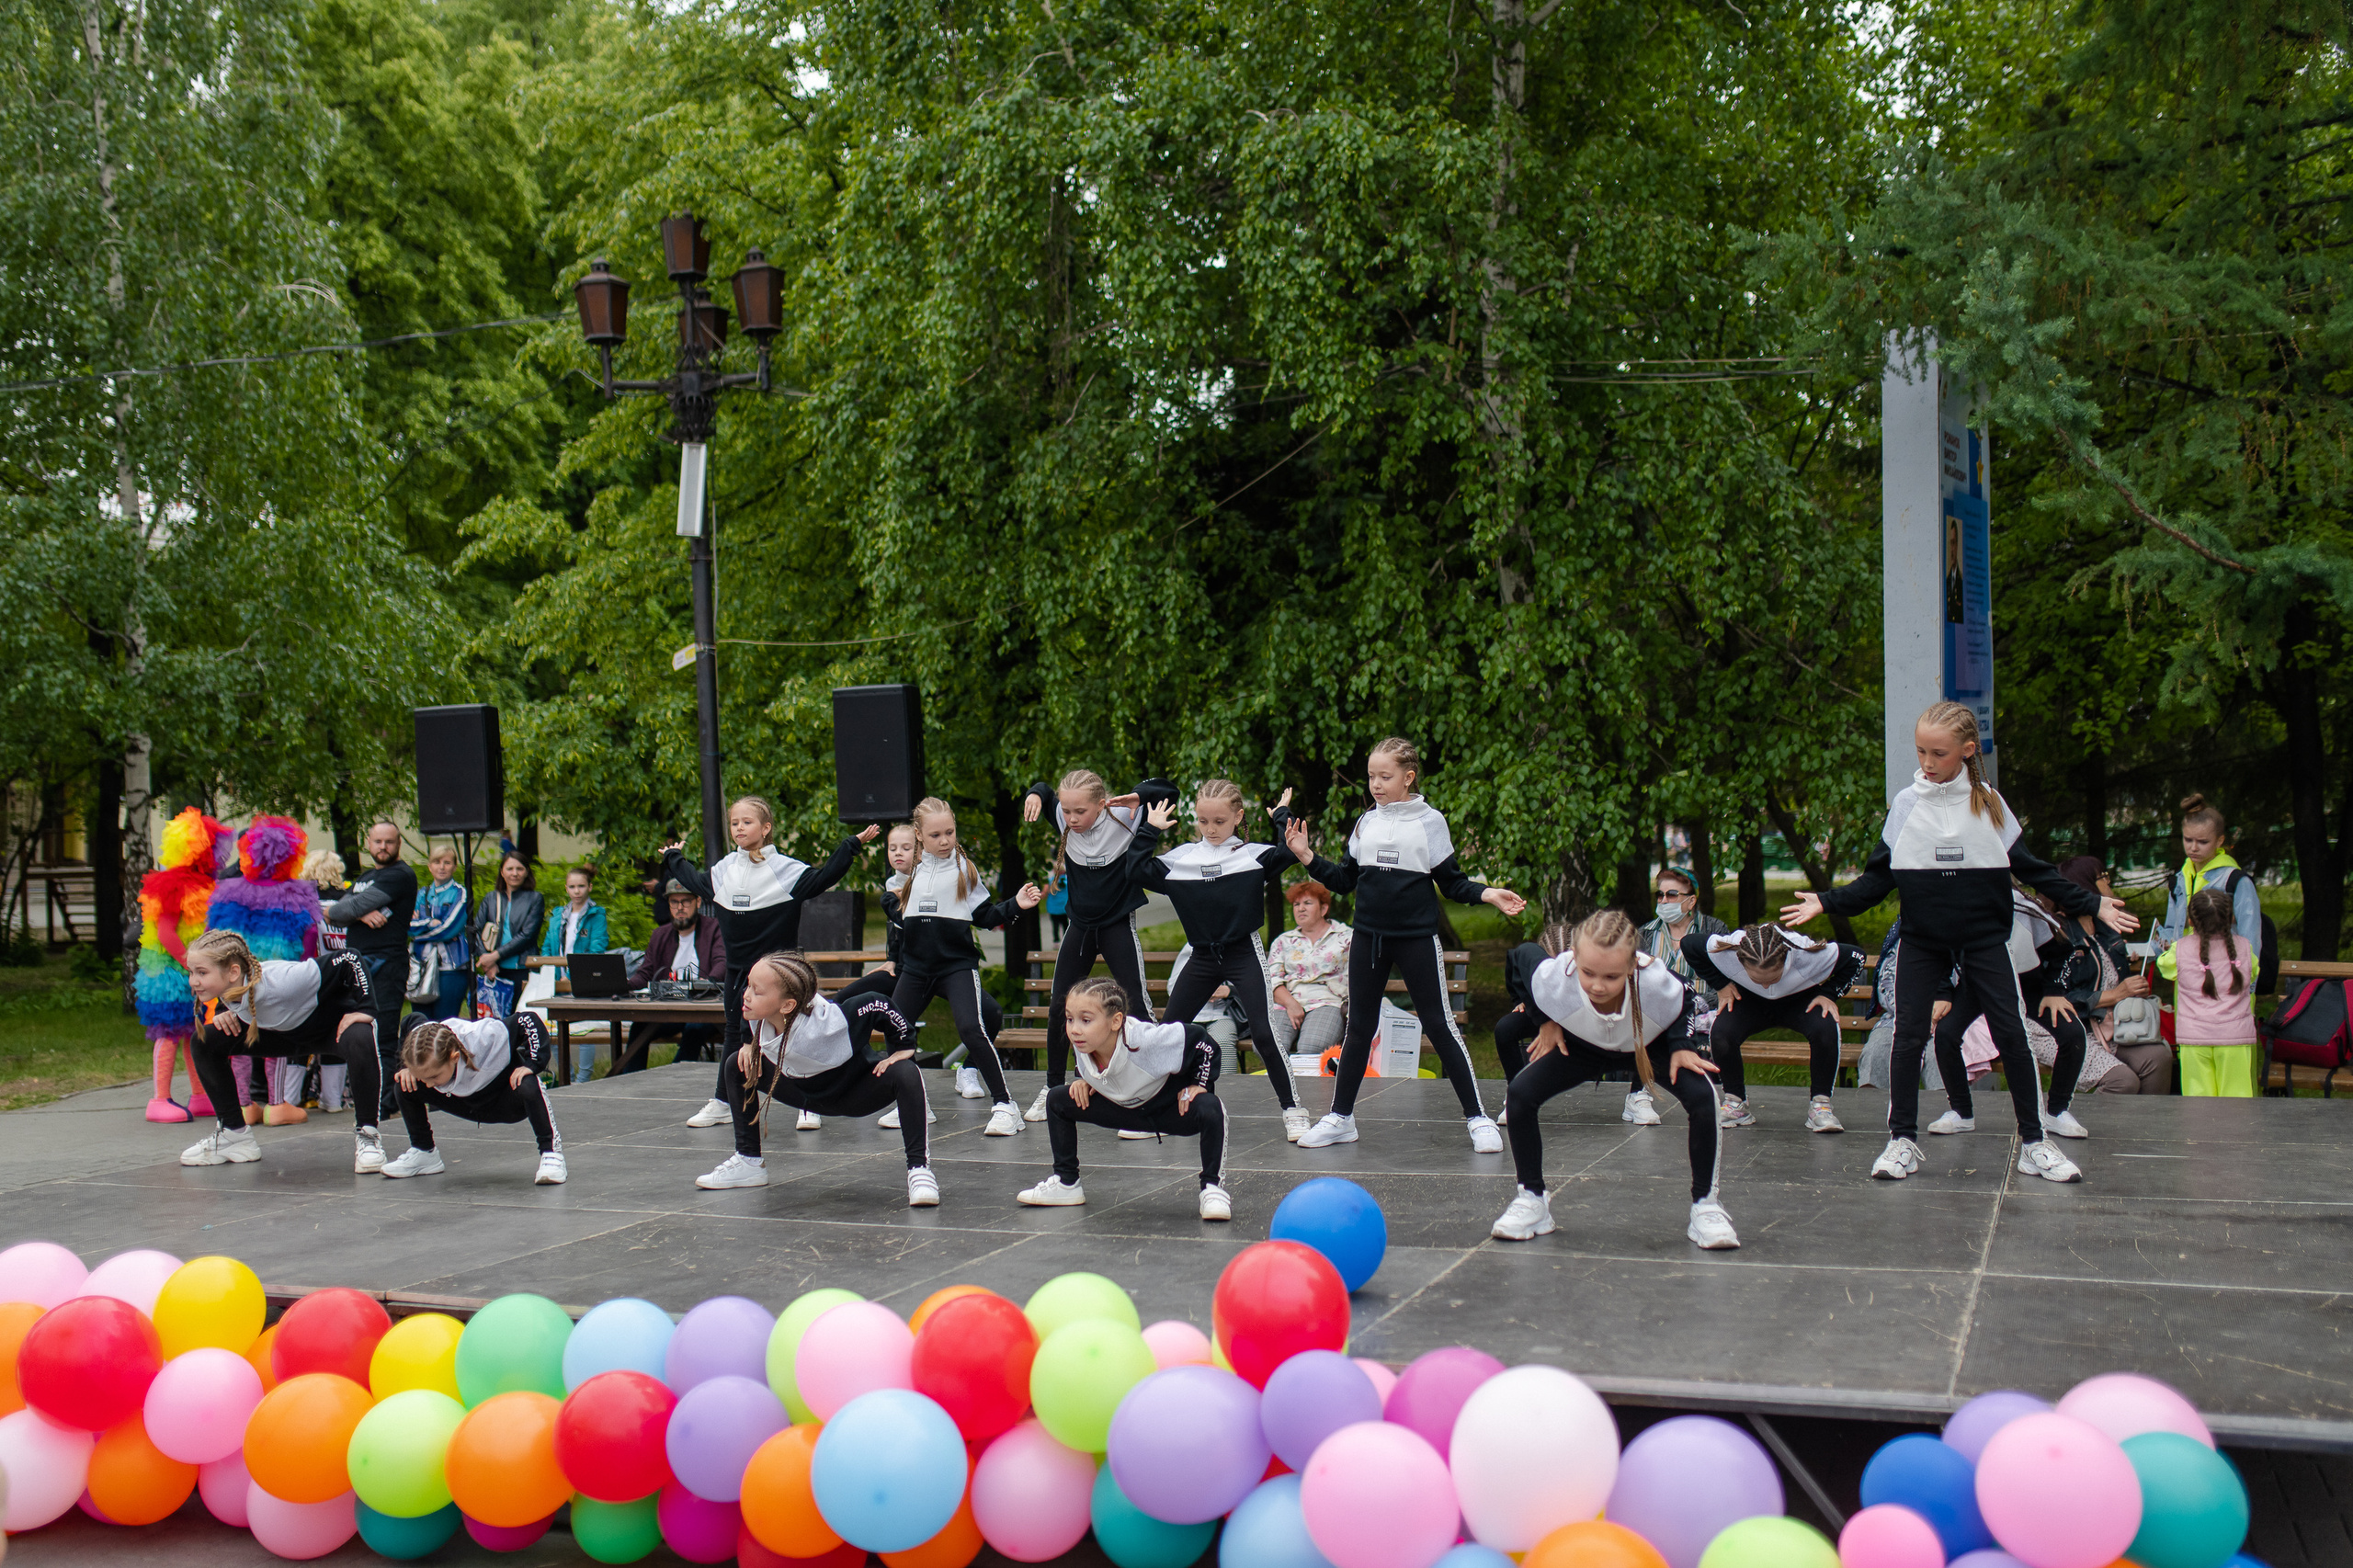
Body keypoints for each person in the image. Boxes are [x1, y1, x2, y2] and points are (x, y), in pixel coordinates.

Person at [1785, 701, 2137, 1185]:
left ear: (1968, 751)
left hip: (1985, 941)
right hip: (1923, 942)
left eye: (1939, 753)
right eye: (1921, 752)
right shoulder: (1907, 805)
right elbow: (1875, 881)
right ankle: (1901, 1141)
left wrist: (2094, 905)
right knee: (1908, 1036)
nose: (1927, 763)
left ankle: (2035, 1144)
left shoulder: (1988, 804)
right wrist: (1826, 902)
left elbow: (2035, 871)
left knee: (2012, 1034)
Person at [1283, 737, 1527, 1152]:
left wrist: (1488, 893)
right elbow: (1344, 881)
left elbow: (1451, 882)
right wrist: (1307, 856)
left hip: (1415, 940)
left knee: (1439, 1025)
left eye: (1385, 776)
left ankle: (1477, 1117)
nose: (1376, 784)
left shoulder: (1430, 822)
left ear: (1408, 777)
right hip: (1368, 940)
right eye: (1371, 777)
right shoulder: (1366, 822)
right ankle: (1341, 1118)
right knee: (1358, 1028)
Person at [1492, 907, 1736, 1249]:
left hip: (1644, 1043)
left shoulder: (1654, 980)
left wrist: (1682, 1046)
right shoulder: (1554, 976)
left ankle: (1705, 1206)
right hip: (1582, 1046)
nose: (1597, 986)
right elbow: (1519, 958)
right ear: (1573, 957)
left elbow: (1687, 999)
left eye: (1611, 977)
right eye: (1588, 973)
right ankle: (1532, 1200)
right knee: (1520, 1093)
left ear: (1632, 966)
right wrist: (1543, 1019)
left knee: (1704, 1097)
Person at [665, 798, 879, 1130]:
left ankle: (810, 1103)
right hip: (739, 973)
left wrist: (851, 845)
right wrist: (673, 857)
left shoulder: (786, 871)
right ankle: (723, 1101)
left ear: (765, 828)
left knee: (798, 1033)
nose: (739, 828)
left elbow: (824, 877)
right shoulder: (724, 872)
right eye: (734, 822)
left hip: (781, 974)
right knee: (736, 1036)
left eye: (747, 822)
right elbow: (693, 880)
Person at [693, 952, 939, 1205]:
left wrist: (903, 1046)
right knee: (737, 1064)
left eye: (757, 991)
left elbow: (876, 1004)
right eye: (748, 985)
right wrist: (748, 1045)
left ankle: (919, 1171)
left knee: (906, 1072)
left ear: (787, 1005)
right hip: (805, 1094)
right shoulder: (758, 1015)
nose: (746, 995)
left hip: (853, 1094)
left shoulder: (828, 1024)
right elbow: (745, 1018)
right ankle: (749, 1162)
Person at [1140, 780, 1308, 1139]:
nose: (1211, 829)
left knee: (1264, 1033)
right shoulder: (1180, 859)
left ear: (1238, 817)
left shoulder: (1252, 857)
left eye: (1219, 821)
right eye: (1203, 821)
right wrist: (1149, 829)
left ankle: (1293, 1110)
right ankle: (1156, 1112)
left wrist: (1281, 816)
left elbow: (1290, 850)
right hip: (1201, 958)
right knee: (1169, 1033)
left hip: (1243, 953)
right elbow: (1134, 869)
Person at [1020, 769, 1179, 1119]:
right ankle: (1051, 1087)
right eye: (1067, 811)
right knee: (1059, 1005)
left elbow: (1169, 790)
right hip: (1081, 926)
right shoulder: (1061, 813)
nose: (1072, 819)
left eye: (1081, 812)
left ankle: (1154, 1087)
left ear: (1101, 803)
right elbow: (1045, 789)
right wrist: (1034, 793)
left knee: (1136, 1006)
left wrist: (1139, 796)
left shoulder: (1125, 815)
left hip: (1117, 923)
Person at [884, 796, 1046, 1137]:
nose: (944, 841)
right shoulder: (907, 873)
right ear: (918, 835)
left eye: (950, 833)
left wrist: (1015, 904)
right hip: (916, 970)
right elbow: (900, 917)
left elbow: (986, 917)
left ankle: (1005, 1106)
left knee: (972, 1029)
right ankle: (914, 1105)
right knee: (896, 1029)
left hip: (955, 967)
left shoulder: (964, 870)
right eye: (935, 835)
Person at [1016, 977, 1232, 1221]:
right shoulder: (1083, 1040)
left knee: (1211, 1107)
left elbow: (1204, 1043)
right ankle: (1067, 1184)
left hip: (1169, 1110)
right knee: (1057, 1099)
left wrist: (1199, 1084)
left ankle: (1212, 1189)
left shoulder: (1146, 1041)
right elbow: (1093, 1066)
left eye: (1086, 1020)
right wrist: (1086, 1080)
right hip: (1122, 1110)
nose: (1075, 1029)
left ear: (1116, 1021)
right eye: (1069, 1019)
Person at [177, 930, 386, 1173]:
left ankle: (368, 1135)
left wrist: (366, 1008)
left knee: (360, 1034)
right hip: (282, 1036)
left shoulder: (286, 980)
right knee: (205, 1040)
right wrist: (225, 1008)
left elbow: (349, 958)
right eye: (192, 972)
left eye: (202, 973)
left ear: (234, 972)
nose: (193, 980)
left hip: (328, 1030)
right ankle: (234, 1136)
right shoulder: (234, 986)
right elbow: (240, 998)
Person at [1681, 924, 1862, 1133]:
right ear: (1740, 961)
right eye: (1759, 978)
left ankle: (1821, 1106)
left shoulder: (1807, 954)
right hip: (1749, 1000)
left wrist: (1830, 994)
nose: (1767, 986)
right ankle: (1735, 1102)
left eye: (1773, 978)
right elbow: (1688, 944)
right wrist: (1720, 985)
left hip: (1800, 1000)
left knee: (1825, 1027)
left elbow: (1857, 957)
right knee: (1722, 1032)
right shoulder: (1729, 950)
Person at [383, 1013, 567, 1184]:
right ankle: (424, 1152)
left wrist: (533, 1063)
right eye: (426, 1078)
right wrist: (404, 1068)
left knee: (527, 1082)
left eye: (434, 1077)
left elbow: (528, 1020)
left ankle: (550, 1153)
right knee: (404, 1083)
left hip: (504, 1101)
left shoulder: (485, 1037)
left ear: (454, 1057)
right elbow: (411, 1019)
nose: (429, 1084)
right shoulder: (421, 1039)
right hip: (464, 1103)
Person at [135, 807, 231, 1124]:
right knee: (169, 1032)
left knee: (193, 1031)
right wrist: (192, 966)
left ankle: (200, 1095)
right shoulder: (173, 883)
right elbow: (165, 931)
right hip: (171, 970)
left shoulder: (204, 884)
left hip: (192, 968)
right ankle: (159, 1099)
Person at [2045, 857, 2167, 1096]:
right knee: (2123, 1081)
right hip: (2070, 1030)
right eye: (2103, 877)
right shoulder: (2059, 935)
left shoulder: (2106, 929)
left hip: (2112, 1027)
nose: (2109, 882)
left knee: (2158, 1057)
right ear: (2085, 884)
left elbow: (2111, 977)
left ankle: (2148, 1129)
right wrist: (2116, 994)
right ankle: (2087, 1126)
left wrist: (2132, 982)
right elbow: (2059, 999)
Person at [1632, 867, 1731, 1129]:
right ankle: (1639, 1096)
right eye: (1660, 895)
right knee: (1649, 1025)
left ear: (1691, 900)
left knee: (1711, 1027)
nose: (1664, 901)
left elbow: (1724, 979)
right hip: (1658, 1009)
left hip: (1703, 1009)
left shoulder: (1713, 929)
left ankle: (1711, 1099)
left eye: (1672, 895)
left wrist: (1698, 1004)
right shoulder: (1647, 933)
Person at [341, 821, 419, 1122]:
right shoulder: (366, 877)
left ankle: (386, 1104)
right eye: (377, 841)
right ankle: (368, 1098)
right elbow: (337, 912)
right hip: (359, 966)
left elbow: (341, 911)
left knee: (383, 1036)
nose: (383, 847)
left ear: (398, 843)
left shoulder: (400, 875)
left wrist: (353, 909)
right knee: (360, 1035)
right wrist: (357, 908)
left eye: (389, 841)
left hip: (387, 964)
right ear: (368, 843)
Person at [612, 881, 728, 1074]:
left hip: (703, 1008)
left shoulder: (715, 928)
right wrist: (623, 985)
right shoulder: (660, 935)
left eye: (685, 902)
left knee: (694, 1028)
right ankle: (628, 1081)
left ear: (698, 902)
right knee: (640, 1026)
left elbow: (721, 963)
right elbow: (645, 973)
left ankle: (672, 1077)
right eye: (674, 902)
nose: (680, 908)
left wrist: (704, 985)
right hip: (668, 1007)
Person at [2173, 887, 2262, 1096]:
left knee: (2197, 1105)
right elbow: (2254, 971)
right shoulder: (2244, 948)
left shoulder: (2179, 950)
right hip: (2236, 1038)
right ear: (2231, 918)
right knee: (2237, 1103)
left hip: (2194, 1040)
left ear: (2191, 920)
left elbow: (2164, 966)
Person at [2157, 793, 2264, 953]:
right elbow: (2171, 931)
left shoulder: (2235, 881)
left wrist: (2245, 976)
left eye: (2203, 842)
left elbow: (2251, 939)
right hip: (2186, 974)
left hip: (2226, 974)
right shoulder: (2178, 880)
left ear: (2219, 841)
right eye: (2188, 839)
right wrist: (2154, 948)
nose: (2193, 847)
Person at [1267, 880, 1351, 1074]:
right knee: (1269, 1046)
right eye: (1296, 904)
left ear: (1323, 909)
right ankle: (1281, 1093)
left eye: (1307, 903)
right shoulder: (1284, 941)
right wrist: (1291, 1004)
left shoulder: (1347, 937)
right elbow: (1271, 977)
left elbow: (1358, 978)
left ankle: (1305, 1097)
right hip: (1287, 1000)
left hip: (1328, 1001)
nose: (1300, 909)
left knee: (1311, 1048)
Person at [540, 869, 610, 1084]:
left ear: (589, 887)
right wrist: (549, 973)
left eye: (581, 886)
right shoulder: (557, 916)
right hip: (557, 981)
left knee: (584, 1029)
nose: (576, 891)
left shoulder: (596, 915)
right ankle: (566, 1077)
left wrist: (572, 976)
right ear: (566, 888)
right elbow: (547, 948)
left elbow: (597, 948)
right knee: (554, 1028)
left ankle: (584, 1079)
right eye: (572, 886)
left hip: (582, 979)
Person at [474, 851, 543, 1020]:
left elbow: (528, 935)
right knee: (496, 1024)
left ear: (527, 871)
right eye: (510, 868)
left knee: (522, 1021)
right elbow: (476, 930)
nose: (515, 873)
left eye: (520, 869)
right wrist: (487, 961)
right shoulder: (491, 898)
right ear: (502, 871)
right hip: (496, 971)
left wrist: (495, 956)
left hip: (523, 969)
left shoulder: (535, 899)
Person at [408, 843, 472, 1022]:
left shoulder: (460, 893)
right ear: (429, 866)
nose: (442, 867)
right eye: (436, 862)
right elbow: (407, 926)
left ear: (454, 867)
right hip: (420, 966)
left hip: (451, 968)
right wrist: (430, 922)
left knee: (446, 1024)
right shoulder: (421, 894)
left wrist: (418, 931)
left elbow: (450, 929)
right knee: (421, 1024)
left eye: (447, 862)